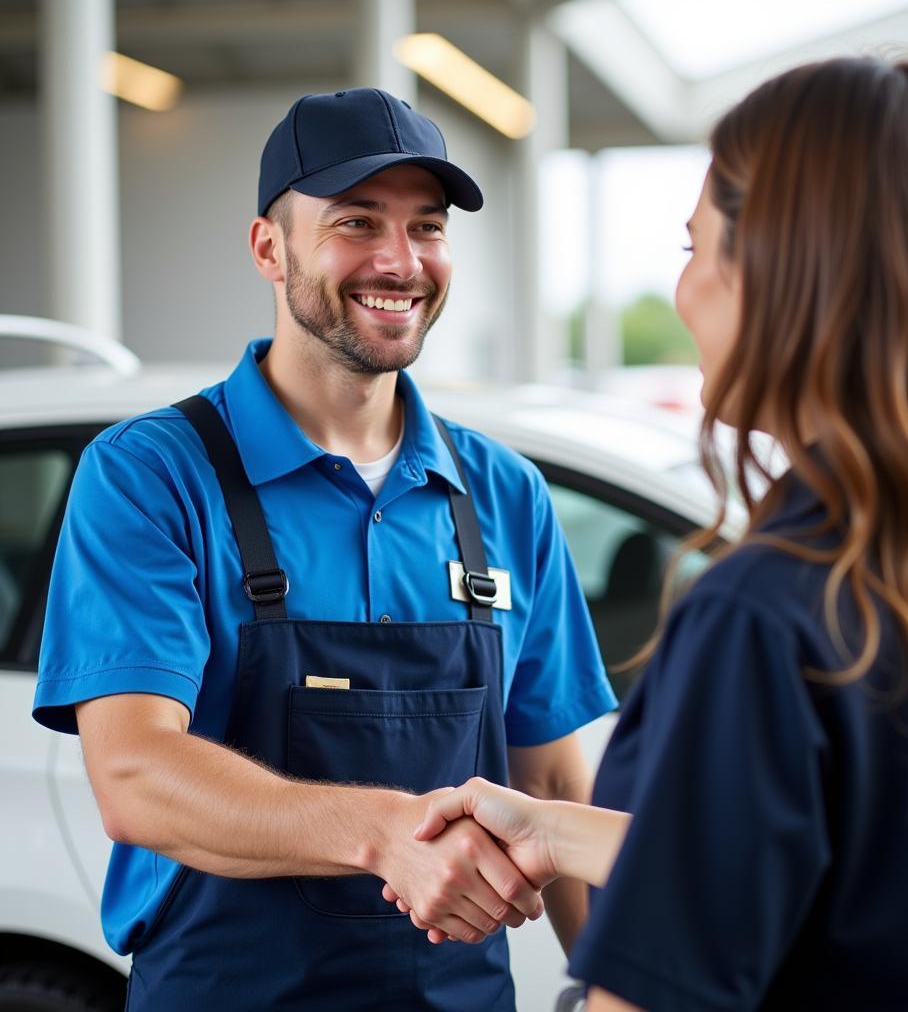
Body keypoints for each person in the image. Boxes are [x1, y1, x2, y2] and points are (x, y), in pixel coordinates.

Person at [390, 57, 908, 1011]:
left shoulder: (765, 618)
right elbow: (873, 875)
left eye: (694, 251)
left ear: (780, 267)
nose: (683, 296)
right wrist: (557, 833)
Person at [31, 87, 616, 1011]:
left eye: (427, 227)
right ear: (270, 247)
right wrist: (389, 833)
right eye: (356, 222)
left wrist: (621, 988)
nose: (400, 260)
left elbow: (545, 773)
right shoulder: (153, 476)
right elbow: (138, 776)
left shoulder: (504, 494)